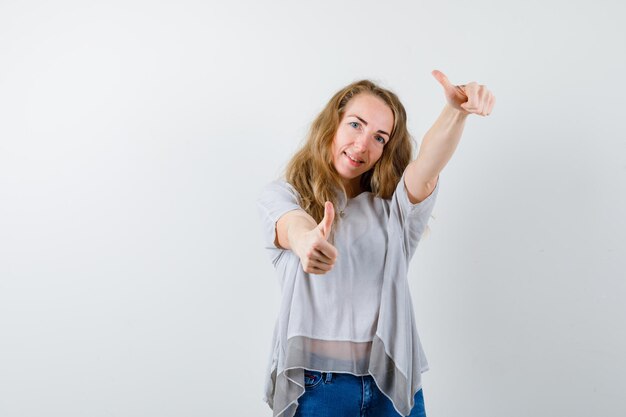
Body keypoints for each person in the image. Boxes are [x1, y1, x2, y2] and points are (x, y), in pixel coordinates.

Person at [257, 70, 495, 417]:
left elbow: (426, 167)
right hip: (318, 390)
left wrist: (455, 111)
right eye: (356, 124)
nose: (363, 144)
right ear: (333, 123)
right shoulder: (283, 195)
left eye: (380, 137)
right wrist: (308, 240)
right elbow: (291, 225)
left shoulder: (394, 213)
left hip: (390, 386)